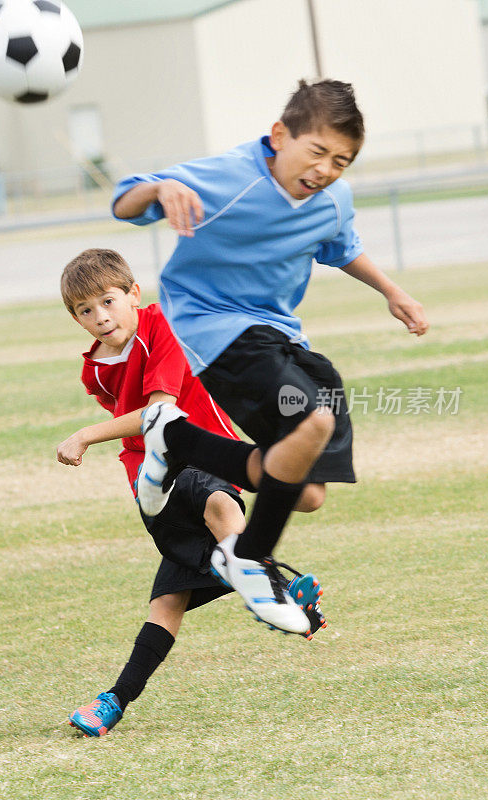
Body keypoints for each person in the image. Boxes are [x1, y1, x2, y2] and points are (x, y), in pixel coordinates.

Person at [111, 79, 429, 636]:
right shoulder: (229, 177)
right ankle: (248, 560)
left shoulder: (333, 200)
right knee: (314, 419)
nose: (327, 168)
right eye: (318, 152)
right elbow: (123, 202)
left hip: (280, 334)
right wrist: (160, 189)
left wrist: (392, 291)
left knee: (305, 491)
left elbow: (343, 246)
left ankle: (176, 440)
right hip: (212, 325)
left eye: (342, 160)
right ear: (280, 136)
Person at [57, 248, 325, 737]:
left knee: (209, 530)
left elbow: (159, 412)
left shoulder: (165, 325)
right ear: (74, 318)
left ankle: (265, 592)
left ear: (134, 294)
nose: (100, 317)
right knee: (183, 578)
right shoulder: (92, 369)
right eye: (84, 310)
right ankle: (273, 591)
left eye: (108, 301)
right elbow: (135, 419)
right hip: (151, 480)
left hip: (203, 453)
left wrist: (87, 433)